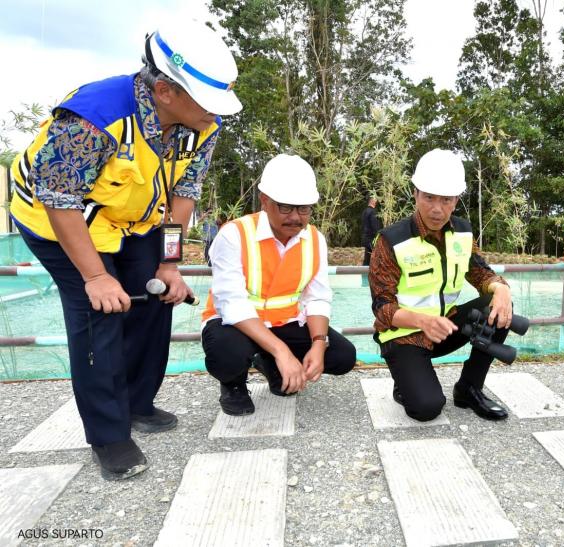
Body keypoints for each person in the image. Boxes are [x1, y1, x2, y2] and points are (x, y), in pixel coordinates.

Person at [8, 21, 242, 480]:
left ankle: (137, 402)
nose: (217, 114)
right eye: (208, 102)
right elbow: (59, 199)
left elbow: (184, 193)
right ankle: (108, 434)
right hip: (59, 220)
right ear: (165, 92)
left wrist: (169, 264)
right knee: (98, 313)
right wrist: (96, 277)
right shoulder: (94, 116)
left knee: (156, 295)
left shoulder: (203, 124)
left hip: (133, 218)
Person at [201, 154, 357, 416]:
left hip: (285, 322)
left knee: (342, 356)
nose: (295, 217)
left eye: (304, 209)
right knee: (227, 353)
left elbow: (318, 297)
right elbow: (233, 306)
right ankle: (233, 383)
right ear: (264, 201)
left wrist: (319, 343)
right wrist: (283, 351)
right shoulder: (234, 234)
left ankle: (269, 362)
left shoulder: (314, 239)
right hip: (235, 325)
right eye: (285, 207)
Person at [369, 149, 514, 422]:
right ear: (415, 194)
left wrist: (502, 289)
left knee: (497, 307)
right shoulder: (391, 240)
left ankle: (469, 388)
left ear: (456, 200)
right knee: (426, 408)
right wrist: (423, 321)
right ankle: (406, 381)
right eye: (429, 197)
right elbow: (382, 307)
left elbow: (480, 272)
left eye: (446, 199)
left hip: (445, 327)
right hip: (403, 335)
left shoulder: (463, 231)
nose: (437, 209)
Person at [361, 196, 382, 266]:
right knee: (374, 258)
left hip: (365, 237)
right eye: (375, 199)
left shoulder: (364, 211)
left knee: (367, 258)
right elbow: (375, 226)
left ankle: (364, 271)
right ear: (372, 200)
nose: (376, 201)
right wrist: (379, 236)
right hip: (372, 238)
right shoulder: (373, 212)